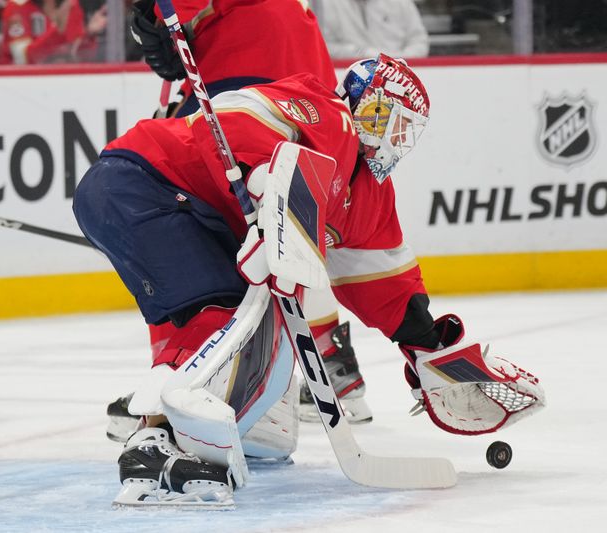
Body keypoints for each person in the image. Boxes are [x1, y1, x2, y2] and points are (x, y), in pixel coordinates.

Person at [74, 55, 545, 505]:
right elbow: (231, 117)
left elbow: (382, 279)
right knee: (219, 314)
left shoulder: (369, 196)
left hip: (189, 213)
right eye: (395, 123)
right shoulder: (323, 112)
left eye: (408, 133)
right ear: (370, 108)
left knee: (253, 320)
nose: (399, 141)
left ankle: (245, 424)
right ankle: (154, 440)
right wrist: (262, 182)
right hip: (140, 183)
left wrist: (427, 346)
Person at [104, 0, 374, 445]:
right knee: (282, 226)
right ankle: (331, 367)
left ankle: (182, 380)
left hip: (244, 63)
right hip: (297, 68)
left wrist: (155, 16)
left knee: (198, 224)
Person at [0, 0, 107, 64]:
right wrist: (57, 32)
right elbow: (23, 60)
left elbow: (77, 56)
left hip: (60, 81)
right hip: (19, 86)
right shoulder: (16, 7)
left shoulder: (70, 4)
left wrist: (88, 34)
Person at [315, 0, 430, 59]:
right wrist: (361, 54)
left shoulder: (401, 2)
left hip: (400, 80)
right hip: (348, 80)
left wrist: (399, 63)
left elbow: (419, 41)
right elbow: (321, 46)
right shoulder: (325, 4)